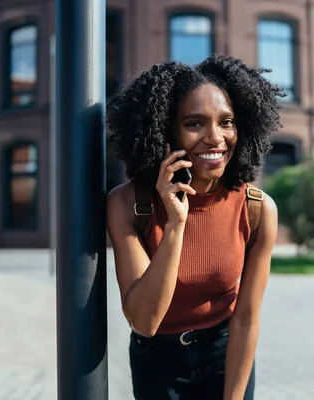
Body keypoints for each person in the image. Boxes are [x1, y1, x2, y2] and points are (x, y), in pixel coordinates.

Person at [105, 54, 282, 400]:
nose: (215, 138)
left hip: (224, 355)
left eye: (227, 122)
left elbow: (246, 319)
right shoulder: (128, 204)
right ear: (165, 133)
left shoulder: (258, 209)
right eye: (194, 124)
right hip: (157, 362)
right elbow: (144, 320)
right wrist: (175, 224)